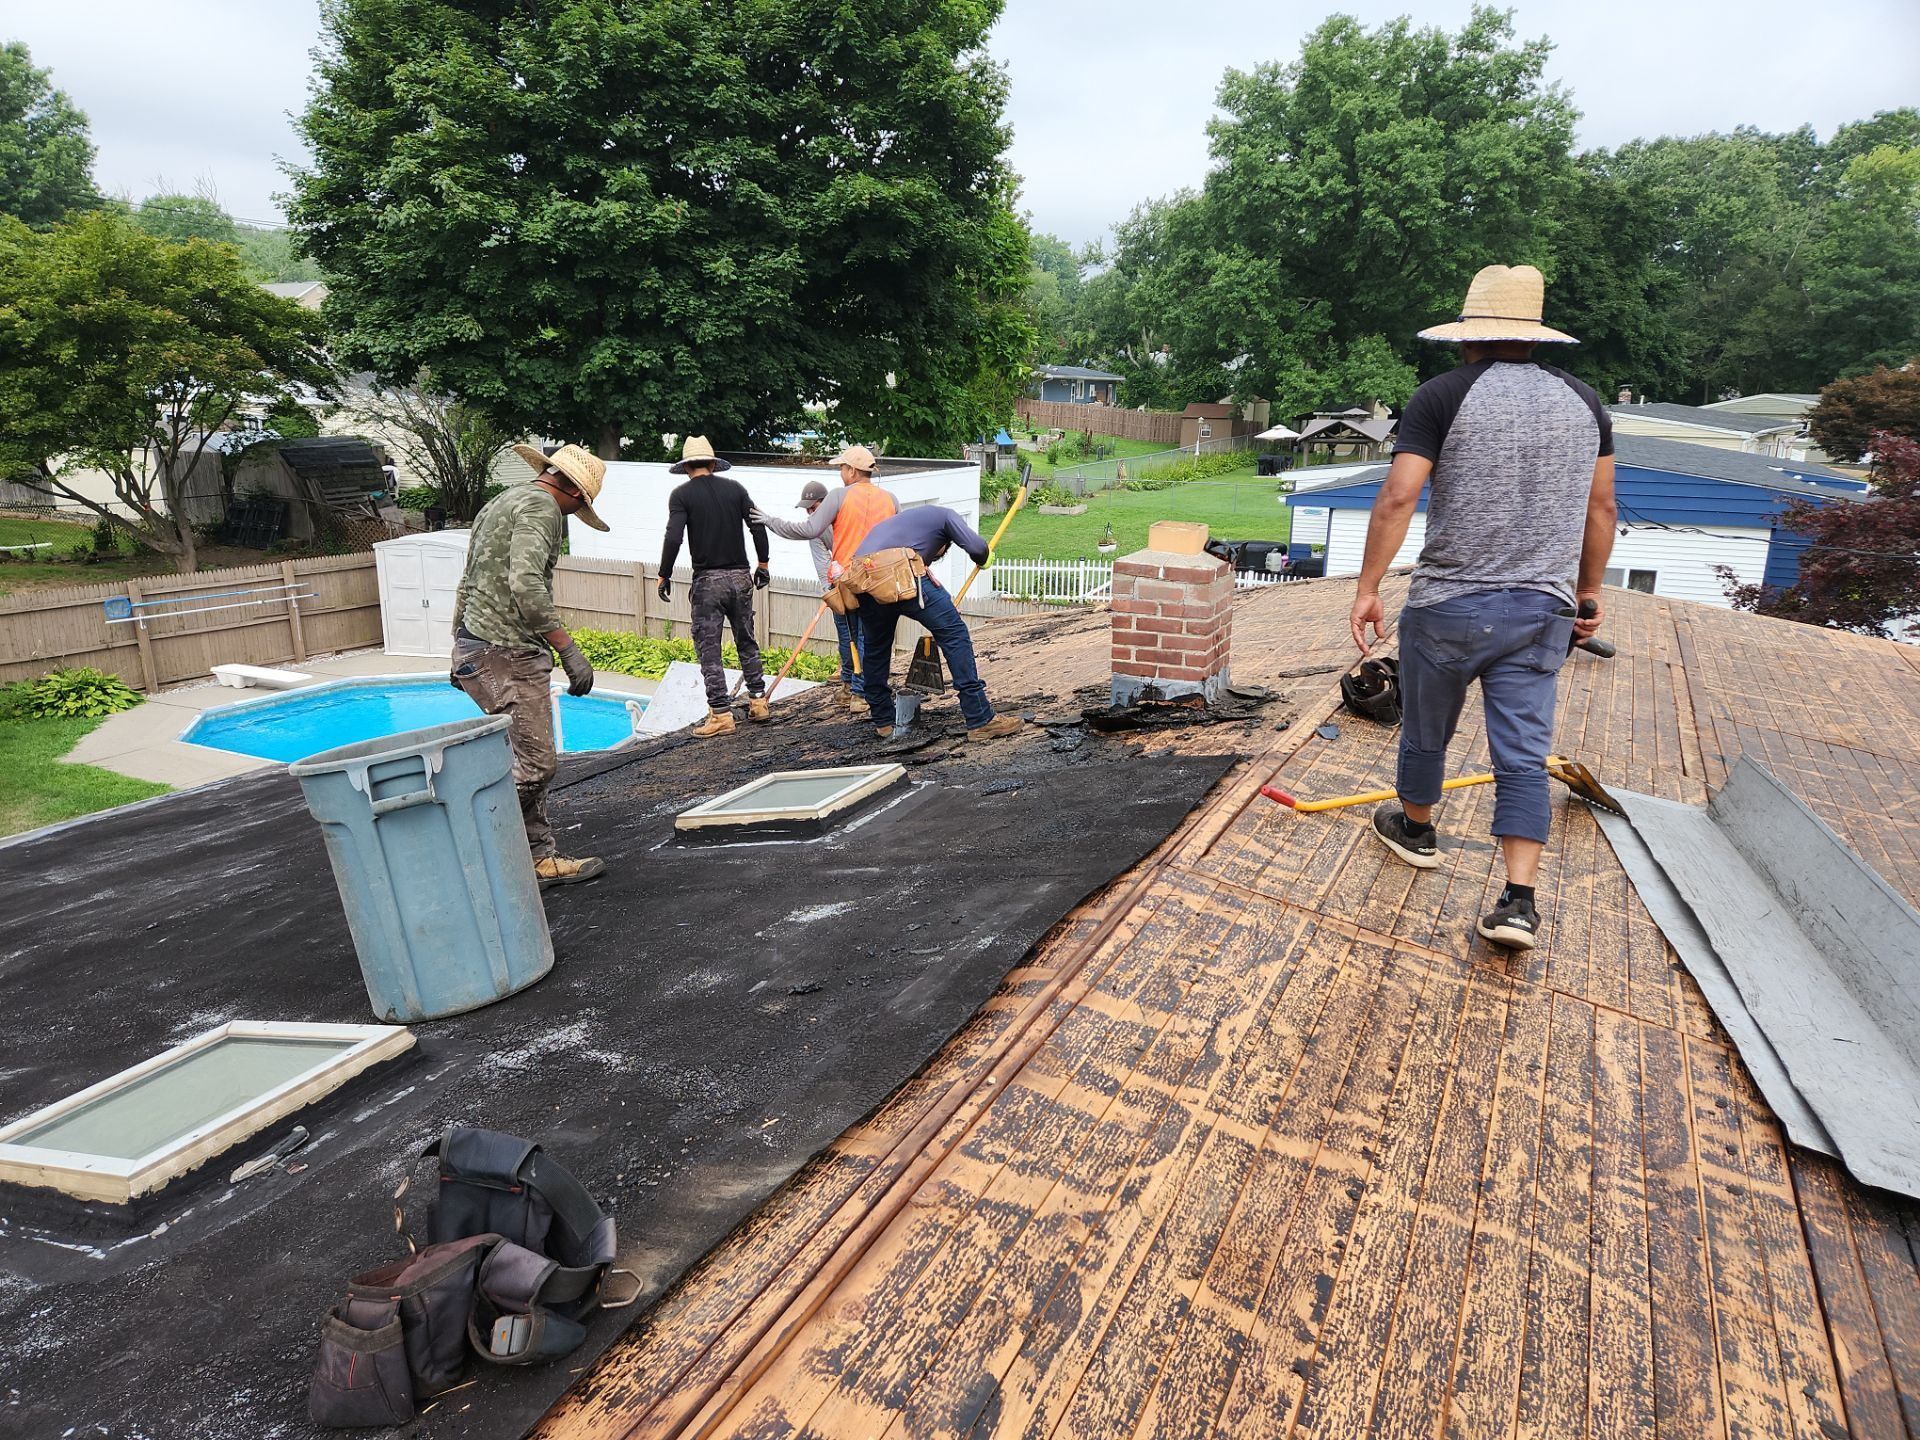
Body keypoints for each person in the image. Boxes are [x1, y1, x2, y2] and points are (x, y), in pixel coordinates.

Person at [1349, 263, 1616, 951]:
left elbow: (1400, 496)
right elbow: (1601, 507)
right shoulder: (1586, 404)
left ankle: (1416, 829)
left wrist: (1368, 586)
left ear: (1468, 336)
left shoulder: (1442, 395)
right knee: (1523, 758)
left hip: (1448, 608)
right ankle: (1518, 904)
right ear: (1533, 337)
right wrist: (1588, 593)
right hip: (1540, 613)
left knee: (1425, 731)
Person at [450, 442, 609, 887]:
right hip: (506, 651)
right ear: (575, 492)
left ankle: (537, 859)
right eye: (579, 507)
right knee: (537, 765)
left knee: (524, 756)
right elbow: (525, 583)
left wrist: (458, 646)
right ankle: (467, 838)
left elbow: (468, 580)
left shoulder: (499, 503)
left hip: (479, 645)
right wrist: (567, 649)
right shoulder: (543, 510)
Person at [848, 506, 1023, 743]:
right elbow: (977, 547)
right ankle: (980, 719)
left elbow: (903, 561)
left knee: (875, 649)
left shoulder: (899, 526)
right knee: (954, 634)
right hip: (901, 573)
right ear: (944, 544)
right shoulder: (946, 516)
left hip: (864, 578)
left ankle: (884, 722)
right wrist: (984, 559)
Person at [750, 445, 896, 714]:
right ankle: (852, 688)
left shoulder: (840, 497)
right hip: (879, 578)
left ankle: (859, 693)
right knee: (865, 636)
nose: (841, 472)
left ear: (852, 470)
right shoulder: (890, 499)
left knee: (856, 635)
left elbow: (807, 529)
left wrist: (770, 521)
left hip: (850, 579)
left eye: (842, 467)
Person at [658, 435, 771, 737]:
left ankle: (720, 714)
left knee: (709, 647)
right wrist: (764, 563)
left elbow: (674, 537)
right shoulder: (735, 489)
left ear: (686, 468)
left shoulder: (681, 495)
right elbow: (757, 523)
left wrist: (664, 573)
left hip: (709, 581)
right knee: (746, 638)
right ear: (711, 463)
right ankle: (758, 702)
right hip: (741, 576)